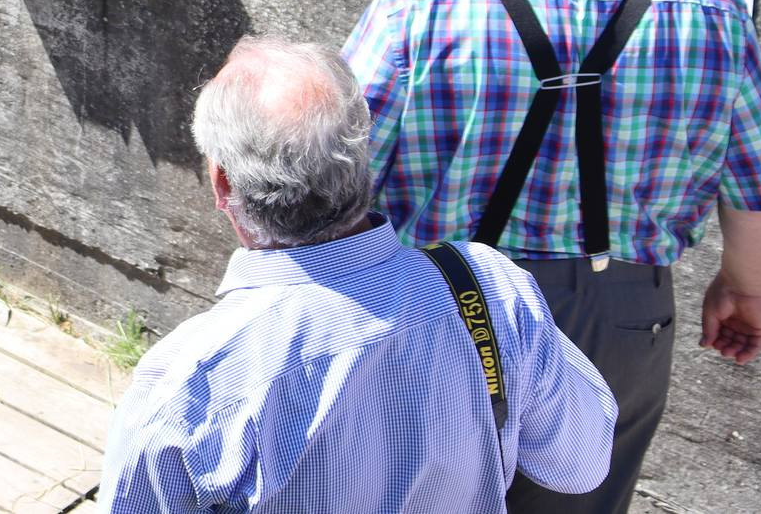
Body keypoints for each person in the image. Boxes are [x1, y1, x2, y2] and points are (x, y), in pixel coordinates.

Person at [343, 0, 761, 513]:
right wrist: (744, 286)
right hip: (620, 316)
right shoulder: (709, 10)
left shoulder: (423, 0)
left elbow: (339, 169)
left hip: (443, 299)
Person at [99, 39, 616, 513]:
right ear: (359, 159)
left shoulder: (187, 382)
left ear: (220, 181)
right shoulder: (487, 288)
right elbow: (580, 463)